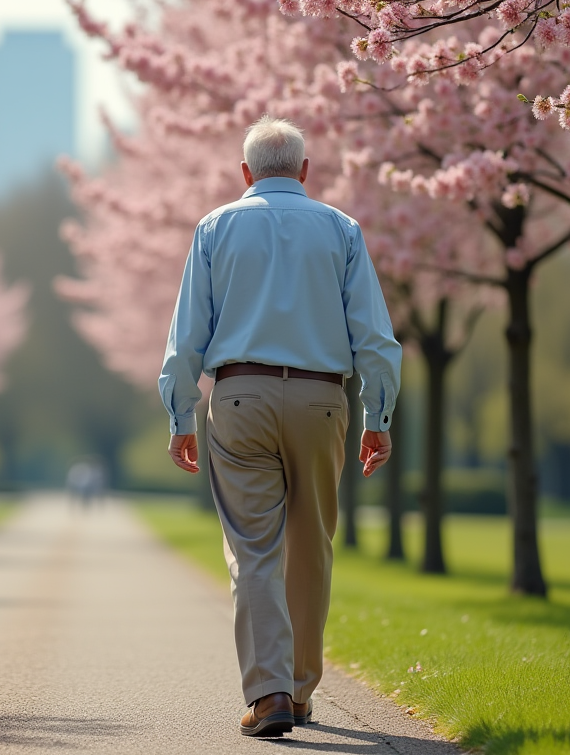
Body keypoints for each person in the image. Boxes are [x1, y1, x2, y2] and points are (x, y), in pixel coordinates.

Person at [159, 116, 402, 738]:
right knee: (311, 546)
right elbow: (375, 336)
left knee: (253, 548)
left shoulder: (214, 228)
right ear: (304, 170)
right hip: (323, 399)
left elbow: (187, 337)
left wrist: (181, 414)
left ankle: (268, 695)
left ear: (245, 172)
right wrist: (378, 416)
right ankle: (298, 688)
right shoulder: (342, 229)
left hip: (240, 396)